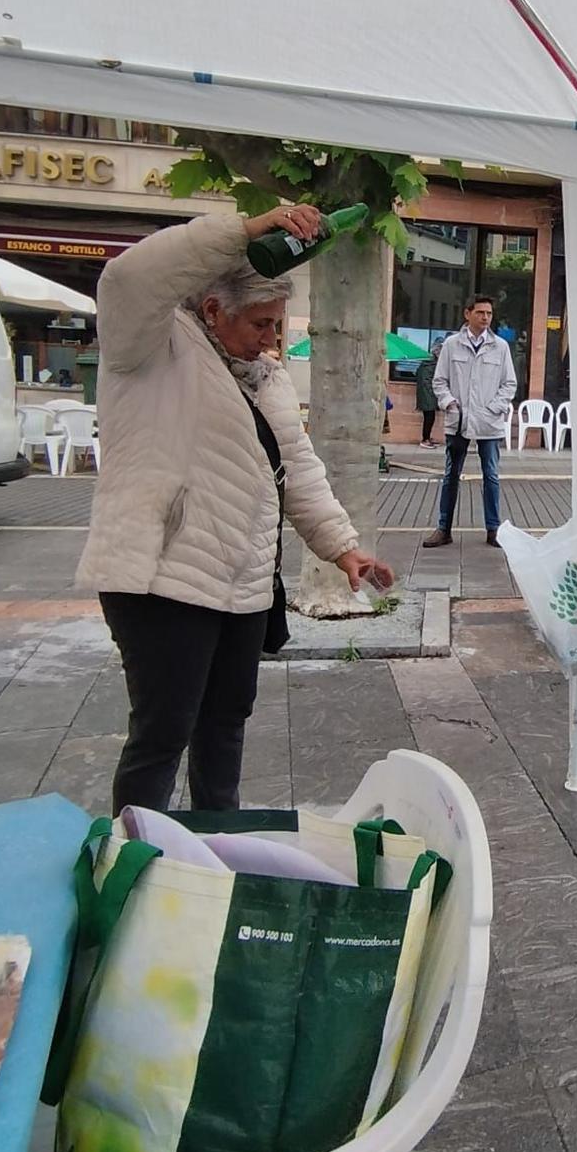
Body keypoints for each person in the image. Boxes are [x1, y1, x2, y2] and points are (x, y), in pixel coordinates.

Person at [78, 207, 396, 812]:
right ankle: (133, 860)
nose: (271, 340)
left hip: (243, 583)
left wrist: (343, 548)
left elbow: (296, 467)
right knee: (162, 735)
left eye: (277, 325)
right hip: (162, 580)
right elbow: (125, 278)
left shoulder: (267, 377)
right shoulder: (149, 346)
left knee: (225, 724)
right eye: (260, 324)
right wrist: (247, 230)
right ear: (213, 310)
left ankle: (216, 845)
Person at [422, 294, 515, 548]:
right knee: (451, 474)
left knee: (491, 476)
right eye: (480, 313)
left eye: (489, 314)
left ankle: (493, 530)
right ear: (468, 314)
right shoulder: (452, 345)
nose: (485, 318)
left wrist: (494, 407)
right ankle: (444, 528)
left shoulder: (500, 347)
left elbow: (509, 383)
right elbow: (439, 381)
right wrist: (449, 403)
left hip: (488, 421)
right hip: (459, 419)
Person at [414, 338, 442, 447]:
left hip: (426, 394)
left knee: (429, 417)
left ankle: (427, 437)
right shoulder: (432, 364)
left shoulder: (426, 363)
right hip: (428, 395)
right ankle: (425, 440)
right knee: (429, 417)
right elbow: (432, 380)